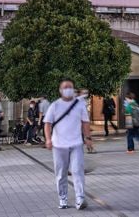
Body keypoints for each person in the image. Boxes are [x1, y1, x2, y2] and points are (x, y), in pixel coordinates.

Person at [43, 78, 92, 210]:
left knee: (77, 171)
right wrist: (48, 139)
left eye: (70, 87)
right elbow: (47, 124)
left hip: (76, 144)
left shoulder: (80, 104)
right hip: (59, 145)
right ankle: (63, 198)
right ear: (60, 90)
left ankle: (80, 198)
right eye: (65, 87)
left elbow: (85, 122)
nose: (68, 89)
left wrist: (88, 138)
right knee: (61, 174)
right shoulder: (55, 105)